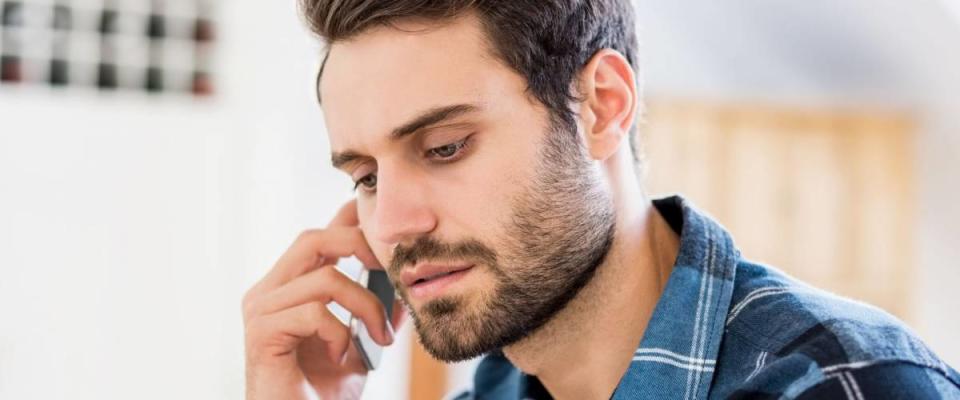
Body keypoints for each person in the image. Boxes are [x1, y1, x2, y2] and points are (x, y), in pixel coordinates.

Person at [241, 1, 960, 398]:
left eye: (445, 147)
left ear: (602, 106)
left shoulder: (846, 388)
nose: (393, 225)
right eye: (365, 177)